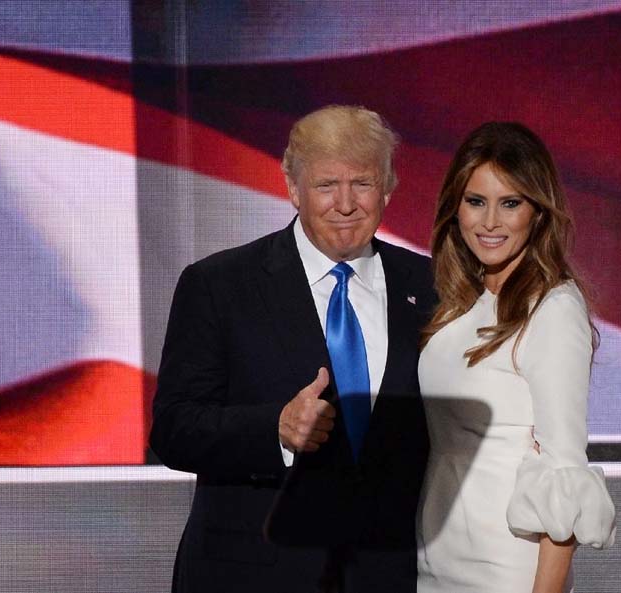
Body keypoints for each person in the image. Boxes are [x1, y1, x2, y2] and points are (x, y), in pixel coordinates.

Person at [150, 105, 434, 593]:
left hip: (388, 573)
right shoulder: (219, 285)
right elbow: (175, 428)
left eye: (362, 183)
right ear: (292, 187)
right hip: (252, 573)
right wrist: (276, 429)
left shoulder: (431, 287)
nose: (345, 204)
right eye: (326, 185)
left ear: (388, 188)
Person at [416, 122, 616, 593]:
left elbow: (564, 470)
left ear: (538, 212)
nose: (490, 223)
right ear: (455, 207)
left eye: (510, 203)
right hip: (435, 560)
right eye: (475, 201)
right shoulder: (456, 304)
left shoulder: (553, 309)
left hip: (506, 570)